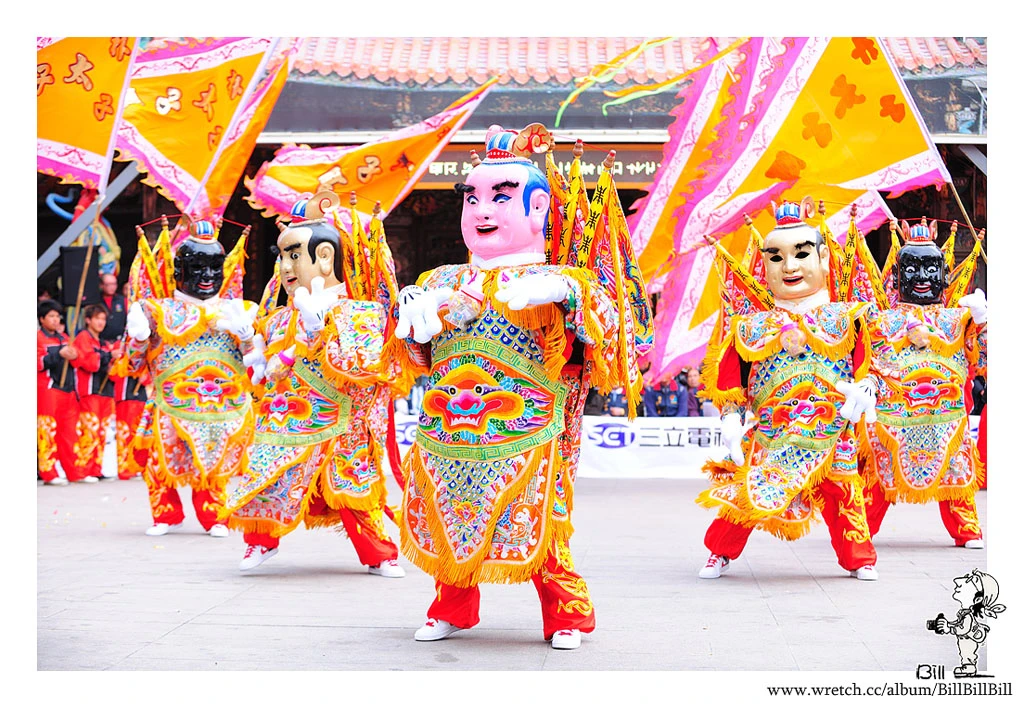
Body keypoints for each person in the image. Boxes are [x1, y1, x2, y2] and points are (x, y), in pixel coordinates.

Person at [396, 124, 637, 650]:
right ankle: (452, 609)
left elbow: (606, 339)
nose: (482, 210)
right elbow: (414, 358)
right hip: (450, 430)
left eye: (501, 198)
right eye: (473, 198)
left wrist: (567, 295)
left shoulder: (561, 277)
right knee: (450, 514)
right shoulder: (439, 281)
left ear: (537, 208)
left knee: (542, 522)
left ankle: (566, 616)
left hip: (529, 430)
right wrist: (410, 320)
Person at [221, 193, 405, 577]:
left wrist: (323, 329)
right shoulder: (275, 320)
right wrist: (250, 351)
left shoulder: (361, 312)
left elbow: (369, 366)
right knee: (267, 476)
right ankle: (260, 540)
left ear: (324, 256)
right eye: (283, 256)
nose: (285, 267)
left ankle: (379, 554)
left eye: (293, 256)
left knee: (352, 489)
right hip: (288, 419)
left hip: (343, 420)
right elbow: (260, 376)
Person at [696, 199, 880, 581]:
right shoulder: (752, 325)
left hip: (831, 433)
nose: (790, 266)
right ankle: (720, 552)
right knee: (750, 493)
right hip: (773, 433)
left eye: (801, 254)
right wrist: (730, 418)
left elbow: (870, 364)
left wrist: (866, 387)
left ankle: (859, 558)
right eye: (776, 258)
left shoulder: (846, 317)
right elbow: (729, 380)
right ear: (765, 265)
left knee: (844, 492)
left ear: (824, 258)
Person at [118, 219, 256, 537]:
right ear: (179, 269)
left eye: (214, 267)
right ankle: (166, 514)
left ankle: (215, 517)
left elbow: (257, 369)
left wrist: (249, 338)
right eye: (197, 268)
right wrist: (138, 338)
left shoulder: (238, 310)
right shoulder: (154, 311)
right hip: (169, 403)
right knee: (159, 461)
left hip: (222, 407)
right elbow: (133, 365)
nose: (207, 277)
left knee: (211, 464)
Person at [860, 219, 988, 549]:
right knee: (879, 474)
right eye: (912, 269)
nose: (922, 279)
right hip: (895, 420)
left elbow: (984, 360)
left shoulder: (957, 318)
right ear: (897, 275)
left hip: (945, 419)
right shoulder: (883, 319)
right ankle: (859, 532)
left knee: (956, 472)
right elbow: (868, 359)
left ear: (944, 274)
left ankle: (967, 528)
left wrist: (983, 320)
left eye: (932, 269)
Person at [68, 304, 118, 482]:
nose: (101, 322)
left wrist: (113, 360)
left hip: (104, 391)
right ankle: (84, 469)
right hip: (88, 390)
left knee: (102, 431)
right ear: (88, 320)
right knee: (89, 429)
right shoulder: (83, 337)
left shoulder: (102, 342)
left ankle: (96, 468)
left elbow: (110, 369)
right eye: (97, 318)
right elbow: (89, 362)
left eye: (103, 319)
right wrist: (109, 356)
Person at [37, 299, 77, 485]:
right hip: (49, 389)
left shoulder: (64, 338)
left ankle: (74, 472)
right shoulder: (38, 338)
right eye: (50, 316)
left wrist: (75, 355)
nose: (55, 319)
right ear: (42, 319)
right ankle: (49, 473)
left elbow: (78, 360)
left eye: (56, 316)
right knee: (47, 431)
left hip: (67, 390)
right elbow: (38, 363)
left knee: (69, 433)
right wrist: (57, 354)